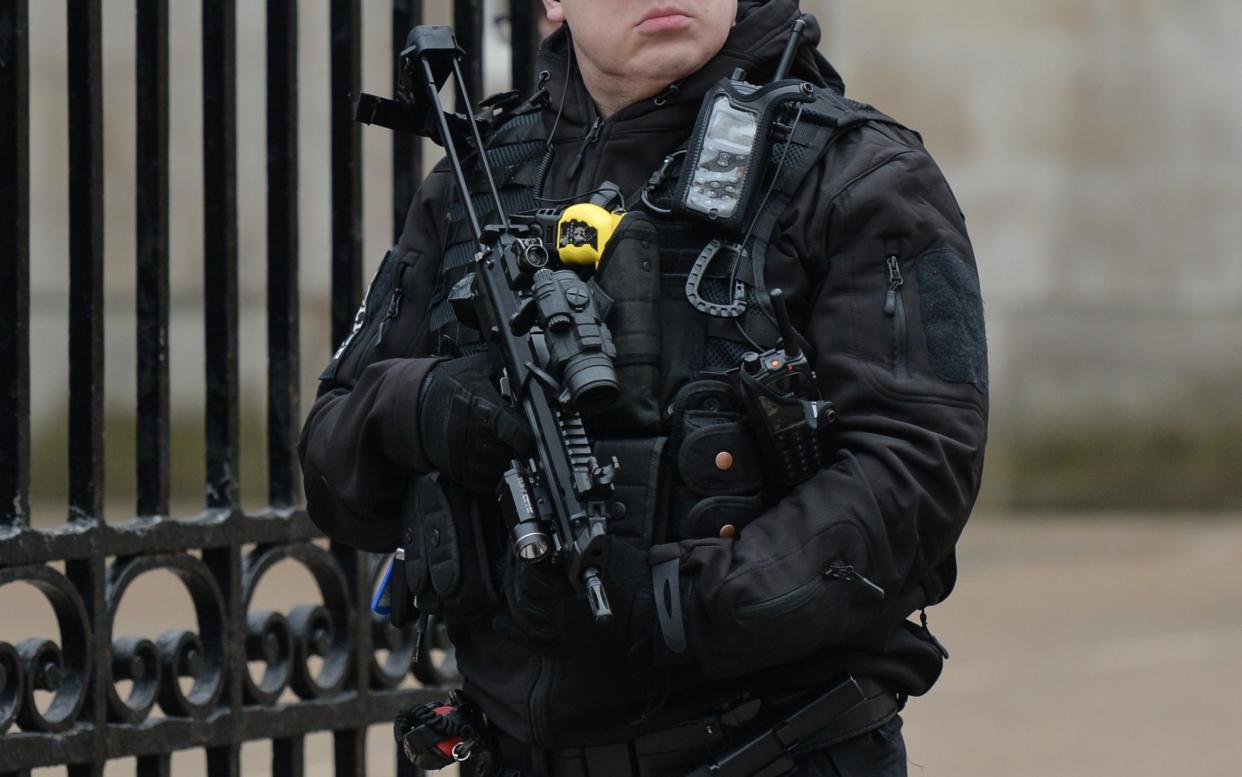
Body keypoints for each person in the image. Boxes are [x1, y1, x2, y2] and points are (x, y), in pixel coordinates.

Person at [299, 0, 988, 774]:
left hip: (772, 749)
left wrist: (679, 607)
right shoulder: (478, 178)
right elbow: (331, 475)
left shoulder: (858, 173)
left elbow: (916, 474)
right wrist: (418, 408)